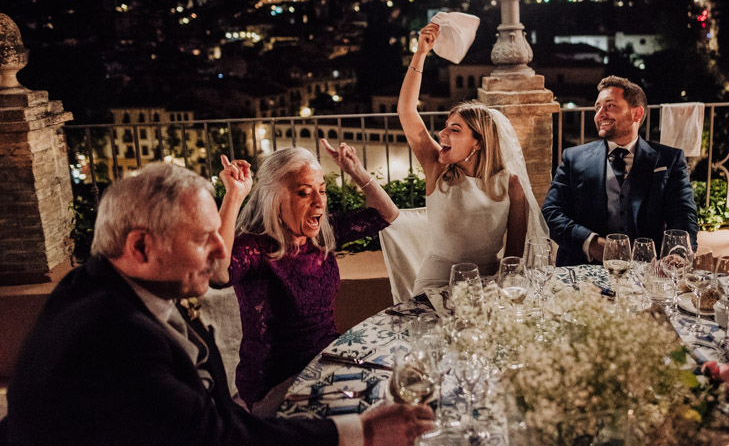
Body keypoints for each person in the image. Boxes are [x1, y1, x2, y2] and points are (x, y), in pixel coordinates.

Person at [3, 161, 432, 446]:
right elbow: (217, 437)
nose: (218, 248)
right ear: (140, 246)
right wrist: (362, 432)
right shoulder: (116, 339)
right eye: (201, 237)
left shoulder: (101, 283)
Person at [212, 141, 399, 409]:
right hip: (276, 382)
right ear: (274, 199)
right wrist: (234, 195)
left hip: (328, 363)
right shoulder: (257, 247)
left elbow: (386, 214)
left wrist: (355, 169)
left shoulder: (322, 234)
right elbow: (218, 273)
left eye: (322, 190)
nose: (319, 201)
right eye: (304, 193)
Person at [398, 23, 548, 294]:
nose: (442, 134)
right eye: (445, 126)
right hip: (436, 284)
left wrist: (499, 292)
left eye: (454, 130)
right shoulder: (437, 169)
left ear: (478, 142)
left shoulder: (510, 184)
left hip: (488, 284)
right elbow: (407, 112)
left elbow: (513, 257)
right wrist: (420, 54)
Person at [542, 75, 699, 266]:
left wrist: (679, 252)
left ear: (637, 113)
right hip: (583, 271)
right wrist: (591, 243)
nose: (600, 114)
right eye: (597, 107)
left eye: (610, 106)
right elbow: (551, 212)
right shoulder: (573, 158)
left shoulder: (669, 160)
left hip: (648, 270)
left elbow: (683, 215)